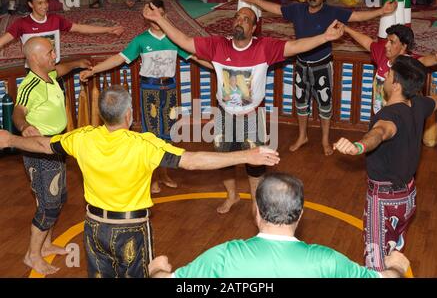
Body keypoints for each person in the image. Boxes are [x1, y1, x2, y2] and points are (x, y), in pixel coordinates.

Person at [0, 85, 280, 278]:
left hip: (94, 229)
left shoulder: (81, 138)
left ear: (102, 115)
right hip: (131, 230)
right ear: (128, 115)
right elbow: (193, 161)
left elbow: (43, 144)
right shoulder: (145, 145)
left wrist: (11, 139)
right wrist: (249, 154)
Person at [143, 2, 344, 214]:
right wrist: (159, 19)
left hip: (252, 116)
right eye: (237, 17)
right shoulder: (217, 45)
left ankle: (256, 203)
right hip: (223, 115)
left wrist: (325, 37)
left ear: (254, 28)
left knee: (255, 164)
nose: (240, 21)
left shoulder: (265, 47)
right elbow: (183, 40)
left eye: (246, 19)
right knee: (223, 160)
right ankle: (232, 196)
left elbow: (296, 46)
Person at [239, 0, 397, 155]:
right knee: (300, 103)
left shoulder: (332, 12)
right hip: (301, 64)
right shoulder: (297, 9)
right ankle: (302, 136)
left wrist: (382, 11)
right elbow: (275, 9)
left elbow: (357, 17)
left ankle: (324, 140)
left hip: (322, 66)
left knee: (325, 105)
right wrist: (253, 0)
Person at [148, 172, 411, 278]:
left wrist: (157, 270)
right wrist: (397, 267)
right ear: (300, 214)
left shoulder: (224, 257)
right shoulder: (327, 262)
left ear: (257, 212)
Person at [80, 0, 212, 194]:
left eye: (158, 14)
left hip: (170, 89)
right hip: (149, 90)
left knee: (168, 133)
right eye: (150, 15)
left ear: (165, 15)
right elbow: (119, 58)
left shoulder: (174, 39)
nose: (155, 19)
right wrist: (94, 70)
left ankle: (164, 173)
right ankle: (152, 177)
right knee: (151, 135)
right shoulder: (141, 40)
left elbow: (196, 57)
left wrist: (224, 68)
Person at [333, 55, 437, 271]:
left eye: (388, 74)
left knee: (375, 265)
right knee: (393, 254)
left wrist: (359, 146)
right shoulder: (419, 105)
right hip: (407, 198)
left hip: (384, 202)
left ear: (396, 84)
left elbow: (380, 133)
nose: (384, 76)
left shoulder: (388, 115)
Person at [11, 37, 91, 275]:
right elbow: (18, 111)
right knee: (49, 204)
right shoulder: (29, 85)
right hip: (39, 150)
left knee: (54, 197)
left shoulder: (50, 75)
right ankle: (32, 255)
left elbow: (62, 68)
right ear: (34, 58)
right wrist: (24, 127)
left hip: (55, 146)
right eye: (49, 51)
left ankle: (45, 246)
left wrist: (78, 63)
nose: (54, 54)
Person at [0, 0, 124, 66]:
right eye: (40, 3)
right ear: (30, 4)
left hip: (55, 69)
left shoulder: (55, 19)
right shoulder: (22, 24)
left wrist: (108, 29)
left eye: (46, 2)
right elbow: (2, 41)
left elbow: (80, 28)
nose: (45, 6)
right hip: (34, 73)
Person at [344, 23, 437, 114]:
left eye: (392, 42)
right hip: (379, 114)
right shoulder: (383, 55)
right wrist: (346, 28)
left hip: (400, 118)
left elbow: (423, 60)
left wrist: (436, 59)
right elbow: (367, 42)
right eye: (387, 40)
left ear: (403, 46)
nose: (386, 45)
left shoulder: (408, 64)